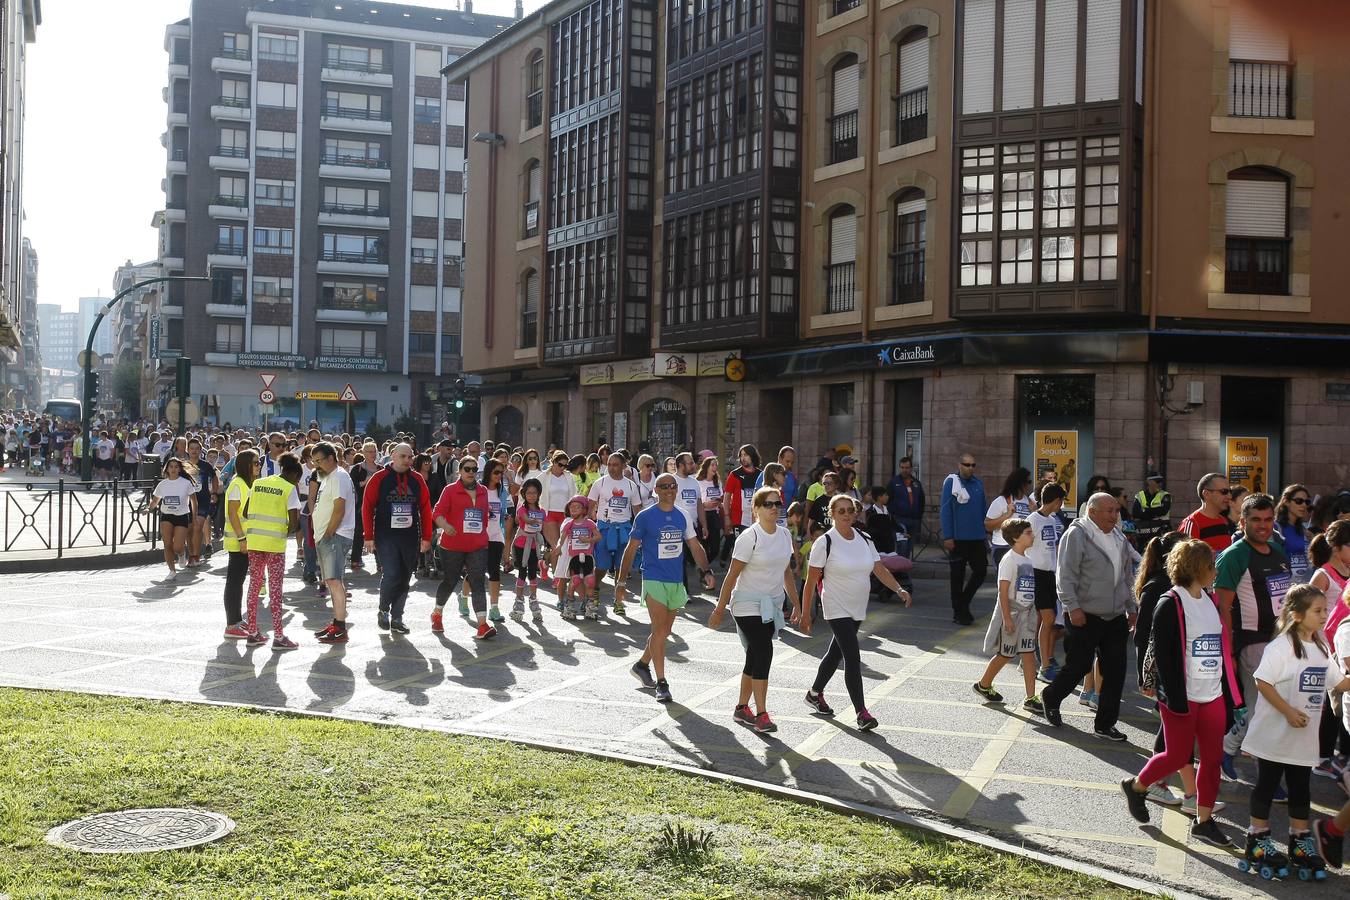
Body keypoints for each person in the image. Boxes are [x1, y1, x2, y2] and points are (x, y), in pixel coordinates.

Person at [1120, 539, 1241, 848]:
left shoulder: (1211, 600)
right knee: (1175, 755)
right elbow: (1164, 654)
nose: (1215, 571)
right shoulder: (1170, 602)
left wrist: (1229, 693)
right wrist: (1174, 698)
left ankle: (1203, 822)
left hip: (1211, 694)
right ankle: (1137, 786)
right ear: (1196, 568)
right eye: (1211, 565)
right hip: (1181, 696)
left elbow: (1220, 648)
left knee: (1212, 761)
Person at [1240, 584, 1348, 879]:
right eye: (1318, 610)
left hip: (1303, 738)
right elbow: (1263, 681)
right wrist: (1287, 711)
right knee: (1268, 783)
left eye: (1325, 609)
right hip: (1275, 734)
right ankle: (1258, 838)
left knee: (1301, 788)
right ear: (1297, 615)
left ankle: (1300, 841)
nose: (1325, 615)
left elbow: (1338, 684)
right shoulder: (1281, 647)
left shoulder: (1321, 647)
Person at [801, 494, 913, 730]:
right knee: (852, 656)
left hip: (857, 606)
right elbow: (811, 580)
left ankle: (814, 693)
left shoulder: (864, 538)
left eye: (850, 511)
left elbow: (879, 568)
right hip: (835, 604)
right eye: (841, 511)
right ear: (832, 514)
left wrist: (899, 588)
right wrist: (804, 614)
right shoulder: (825, 542)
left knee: (835, 653)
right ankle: (862, 712)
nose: (847, 515)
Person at [1037, 492, 1137, 740]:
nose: (1115, 516)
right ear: (1092, 512)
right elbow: (1065, 574)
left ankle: (1105, 724)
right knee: (1079, 665)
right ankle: (1052, 696)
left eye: (1116, 511)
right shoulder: (1078, 534)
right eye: (1109, 511)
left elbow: (1126, 576)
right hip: (1084, 614)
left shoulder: (1118, 536)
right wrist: (1072, 607)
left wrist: (1131, 607)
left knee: (1116, 670)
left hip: (1114, 615)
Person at [614, 472, 717, 704]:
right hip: (652, 578)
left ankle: (642, 665)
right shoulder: (645, 517)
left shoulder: (682, 516)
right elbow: (630, 550)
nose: (669, 489)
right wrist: (621, 582)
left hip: (675, 581)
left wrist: (706, 571)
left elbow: (694, 545)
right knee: (660, 631)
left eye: (673, 486)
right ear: (656, 490)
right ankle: (662, 683)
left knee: (663, 632)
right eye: (664, 486)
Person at [708, 486, 800, 734]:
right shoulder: (750, 537)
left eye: (777, 504)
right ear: (756, 509)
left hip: (771, 606)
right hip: (746, 604)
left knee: (754, 656)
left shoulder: (783, 535)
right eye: (768, 504)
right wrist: (719, 608)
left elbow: (787, 573)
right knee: (764, 651)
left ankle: (741, 708)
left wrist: (798, 605)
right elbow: (731, 575)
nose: (774, 508)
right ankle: (761, 714)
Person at [1216, 493, 1293, 776]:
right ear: (1242, 520)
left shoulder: (1277, 551)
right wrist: (1229, 653)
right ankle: (1232, 752)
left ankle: (1232, 753)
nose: (1263, 525)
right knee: (1265, 708)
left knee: (1267, 709)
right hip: (1252, 643)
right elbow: (1222, 608)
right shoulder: (1235, 555)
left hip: (1280, 642)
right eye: (1256, 520)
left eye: (1268, 519)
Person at [972, 519, 1045, 715]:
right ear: (1015, 537)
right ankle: (983, 684)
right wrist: (1007, 618)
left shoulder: (1028, 560)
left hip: (1027, 615)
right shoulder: (1009, 560)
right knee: (1006, 654)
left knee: (1029, 655)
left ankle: (1031, 697)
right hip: (1012, 615)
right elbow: (1002, 592)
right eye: (1028, 533)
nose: (1032, 535)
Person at [360, 443, 434, 634]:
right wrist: (368, 536)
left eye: (410, 457)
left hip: (410, 536)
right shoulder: (379, 478)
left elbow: (425, 509)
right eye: (403, 456)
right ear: (393, 456)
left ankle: (397, 617)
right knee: (392, 574)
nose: (407, 460)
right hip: (386, 535)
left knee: (405, 577)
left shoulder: (417, 479)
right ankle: (383, 610)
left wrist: (426, 537)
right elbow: (367, 507)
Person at [240, 452, 303, 651]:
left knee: (254, 586)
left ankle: (252, 633)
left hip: (255, 542)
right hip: (275, 545)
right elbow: (294, 524)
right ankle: (278, 636)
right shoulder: (289, 488)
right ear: (295, 475)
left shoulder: (258, 483)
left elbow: (244, 512)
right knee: (275, 590)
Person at [429, 456, 494, 639]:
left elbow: (483, 517)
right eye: (467, 469)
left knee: (478, 582)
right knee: (450, 581)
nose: (471, 472)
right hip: (452, 546)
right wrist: (445, 526)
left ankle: (482, 625)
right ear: (460, 471)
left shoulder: (483, 491)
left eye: (474, 469)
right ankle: (437, 613)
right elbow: (437, 513)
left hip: (478, 545)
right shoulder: (450, 490)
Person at [1310, 520, 1350, 779]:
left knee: (1340, 702)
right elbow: (1309, 611)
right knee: (1329, 703)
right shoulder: (1323, 575)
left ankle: (1339, 757)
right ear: (1336, 548)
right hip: (1328, 646)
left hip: (1345, 646)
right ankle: (1321, 757)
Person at [311, 442, 356, 645]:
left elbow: (339, 507)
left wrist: (329, 533)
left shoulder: (338, 475)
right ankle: (337, 623)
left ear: (331, 458)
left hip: (335, 535)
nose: (316, 465)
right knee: (332, 580)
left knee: (334, 581)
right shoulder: (330, 477)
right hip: (328, 536)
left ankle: (340, 628)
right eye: (314, 462)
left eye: (319, 461)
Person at [588, 452, 644, 614]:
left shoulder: (631, 485)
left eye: (615, 464)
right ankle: (596, 587)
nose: (612, 468)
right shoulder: (600, 483)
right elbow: (590, 505)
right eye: (610, 464)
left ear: (623, 466)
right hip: (604, 529)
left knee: (622, 565)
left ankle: (618, 599)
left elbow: (637, 509)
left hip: (624, 529)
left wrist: (641, 530)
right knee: (602, 566)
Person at [940, 454, 988, 626]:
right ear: (959, 464)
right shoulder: (951, 482)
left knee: (981, 571)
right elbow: (945, 510)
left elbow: (984, 509)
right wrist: (948, 536)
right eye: (967, 464)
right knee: (957, 577)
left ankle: (963, 602)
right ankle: (959, 612)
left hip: (977, 538)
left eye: (973, 465)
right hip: (958, 539)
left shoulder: (978, 483)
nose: (970, 468)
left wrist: (985, 532)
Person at [1027, 483, 1067, 683]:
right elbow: (1023, 544)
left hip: (1051, 575)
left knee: (1044, 621)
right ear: (1056, 500)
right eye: (1061, 500)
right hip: (1037, 574)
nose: (1062, 504)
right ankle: (1044, 666)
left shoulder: (1053, 520)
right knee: (1049, 619)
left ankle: (1034, 659)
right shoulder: (1033, 519)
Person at [221, 448, 258, 640]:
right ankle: (231, 624)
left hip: (244, 539)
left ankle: (236, 619)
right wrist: (242, 538)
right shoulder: (237, 484)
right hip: (238, 540)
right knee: (234, 582)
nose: (258, 466)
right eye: (255, 463)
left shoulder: (247, 484)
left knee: (239, 581)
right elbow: (233, 513)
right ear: (246, 465)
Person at [149, 456, 198, 583]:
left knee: (177, 547)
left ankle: (181, 554)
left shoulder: (186, 483)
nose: (173, 469)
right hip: (166, 516)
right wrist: (148, 509)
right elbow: (155, 500)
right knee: (167, 544)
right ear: (167, 469)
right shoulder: (162, 484)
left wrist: (194, 518)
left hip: (182, 516)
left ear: (180, 469)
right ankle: (172, 570)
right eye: (171, 466)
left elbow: (194, 501)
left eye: (176, 467)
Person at [553, 495, 601, 620]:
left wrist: (589, 539)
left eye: (577, 507)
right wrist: (558, 547)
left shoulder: (589, 523)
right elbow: (562, 538)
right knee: (574, 581)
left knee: (590, 581)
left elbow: (598, 537)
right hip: (574, 557)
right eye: (571, 507)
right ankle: (569, 606)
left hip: (587, 556)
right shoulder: (569, 524)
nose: (573, 509)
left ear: (584, 510)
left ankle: (590, 606)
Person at [480, 459, 514, 625]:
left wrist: (506, 516)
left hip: (496, 535)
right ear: (488, 472)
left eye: (501, 472)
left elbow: (505, 509)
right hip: (479, 535)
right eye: (496, 472)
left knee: (494, 570)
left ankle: (494, 608)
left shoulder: (502, 490)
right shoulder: (479, 489)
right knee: (477, 570)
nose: (499, 476)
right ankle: (463, 597)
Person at [510, 478, 548, 623]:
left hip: (534, 544)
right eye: (529, 493)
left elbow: (543, 527)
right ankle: (519, 600)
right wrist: (530, 521)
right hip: (521, 544)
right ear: (524, 494)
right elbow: (524, 518)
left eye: (534, 493)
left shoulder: (542, 511)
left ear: (539, 494)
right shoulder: (522, 509)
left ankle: (533, 598)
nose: (532, 495)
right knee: (522, 571)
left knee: (533, 573)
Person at [985, 467, 1033, 568]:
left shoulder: (1029, 502)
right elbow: (987, 525)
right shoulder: (1001, 501)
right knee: (1006, 581)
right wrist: (1006, 515)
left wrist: (1035, 512)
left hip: (1022, 548)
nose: (1030, 485)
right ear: (1020, 483)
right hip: (1003, 547)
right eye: (1028, 481)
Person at [1180, 473, 1233, 553]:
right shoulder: (1192, 522)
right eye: (1224, 491)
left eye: (1230, 491)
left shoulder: (1224, 520)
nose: (1229, 496)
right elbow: (1185, 559)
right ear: (1206, 494)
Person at [722, 444, 762, 551]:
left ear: (753, 456)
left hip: (756, 520)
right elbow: (726, 497)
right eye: (741, 455)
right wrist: (726, 517)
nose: (743, 458)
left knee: (754, 548)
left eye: (746, 455)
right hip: (738, 520)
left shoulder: (761, 475)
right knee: (741, 549)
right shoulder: (734, 475)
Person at [1276, 483, 1313, 583]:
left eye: (1307, 502)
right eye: (1299, 501)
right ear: (1286, 502)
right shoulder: (1276, 527)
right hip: (1283, 584)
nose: (1304, 505)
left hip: (1304, 584)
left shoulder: (1305, 531)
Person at [886, 456, 925, 545]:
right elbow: (887, 499)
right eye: (902, 467)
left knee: (909, 547)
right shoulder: (894, 482)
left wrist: (919, 516)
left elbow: (921, 500)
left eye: (907, 468)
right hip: (899, 520)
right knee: (902, 545)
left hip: (913, 520)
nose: (904, 470)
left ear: (911, 468)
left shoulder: (916, 483)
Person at [695, 455, 724, 568]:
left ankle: (703, 565)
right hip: (702, 515)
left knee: (715, 548)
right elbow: (695, 502)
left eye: (716, 465)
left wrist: (718, 502)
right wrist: (704, 505)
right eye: (712, 464)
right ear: (706, 467)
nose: (715, 467)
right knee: (705, 545)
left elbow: (721, 496)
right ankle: (703, 568)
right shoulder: (698, 482)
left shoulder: (718, 482)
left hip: (714, 514)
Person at [1132, 473, 1172, 551]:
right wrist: (1155, 512)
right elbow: (1135, 513)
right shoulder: (1139, 496)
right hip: (1143, 536)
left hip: (1160, 535)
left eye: (1160, 482)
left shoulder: (1165, 495)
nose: (1159, 484)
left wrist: (1145, 511)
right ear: (1149, 482)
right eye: (1157, 481)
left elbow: (1163, 511)